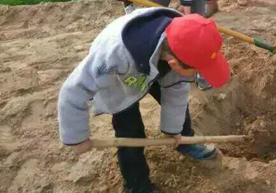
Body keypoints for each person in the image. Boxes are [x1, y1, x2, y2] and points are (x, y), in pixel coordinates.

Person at [58, 10, 229, 193]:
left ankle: (185, 141)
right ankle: (137, 186)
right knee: (130, 130)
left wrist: (173, 130)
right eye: (197, 70)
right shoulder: (112, 59)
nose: (199, 74)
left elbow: (177, 90)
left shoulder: (184, 39)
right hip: (120, 77)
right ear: (174, 63)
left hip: (154, 60)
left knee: (179, 100)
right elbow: (72, 90)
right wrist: (76, 137)